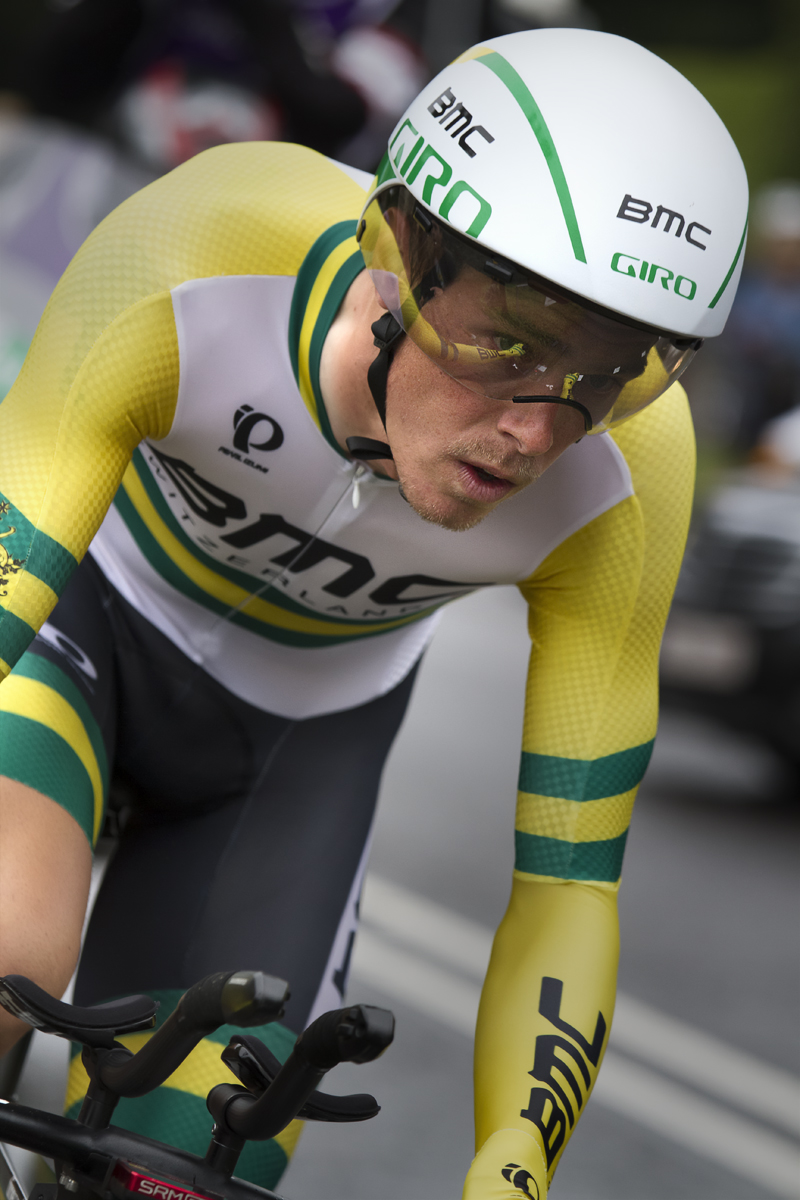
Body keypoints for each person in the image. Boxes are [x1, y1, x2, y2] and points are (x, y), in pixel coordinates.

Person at [0, 26, 747, 1200]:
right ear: (393, 253)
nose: (536, 429)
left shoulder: (626, 482)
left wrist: (514, 1164)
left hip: (292, 752)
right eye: (507, 339)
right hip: (80, 628)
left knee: (192, 1163)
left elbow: (566, 887)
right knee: (4, 946)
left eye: (609, 370)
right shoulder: (203, 250)